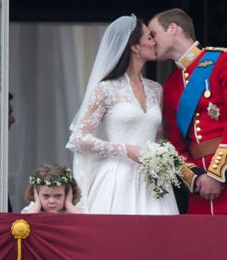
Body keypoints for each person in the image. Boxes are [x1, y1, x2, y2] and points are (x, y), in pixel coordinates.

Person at [148, 8, 227, 215]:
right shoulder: (170, 85)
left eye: (153, 34)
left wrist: (217, 175)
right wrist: (197, 178)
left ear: (173, 28)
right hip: (200, 194)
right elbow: (175, 146)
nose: (151, 42)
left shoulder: (225, 61)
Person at [66, 14, 179, 215]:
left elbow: (158, 138)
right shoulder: (105, 89)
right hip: (117, 180)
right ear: (135, 47)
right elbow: (79, 139)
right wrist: (125, 149)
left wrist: (162, 157)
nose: (155, 42)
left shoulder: (156, 89)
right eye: (149, 38)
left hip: (152, 181)